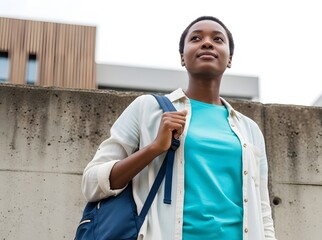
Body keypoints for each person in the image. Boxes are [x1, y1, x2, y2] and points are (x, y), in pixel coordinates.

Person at [81, 16, 277, 240]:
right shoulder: (148, 109)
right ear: (182, 57)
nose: (206, 43)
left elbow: (262, 212)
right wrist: (154, 148)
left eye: (217, 39)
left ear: (229, 58)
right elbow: (91, 184)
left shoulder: (249, 129)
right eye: (195, 38)